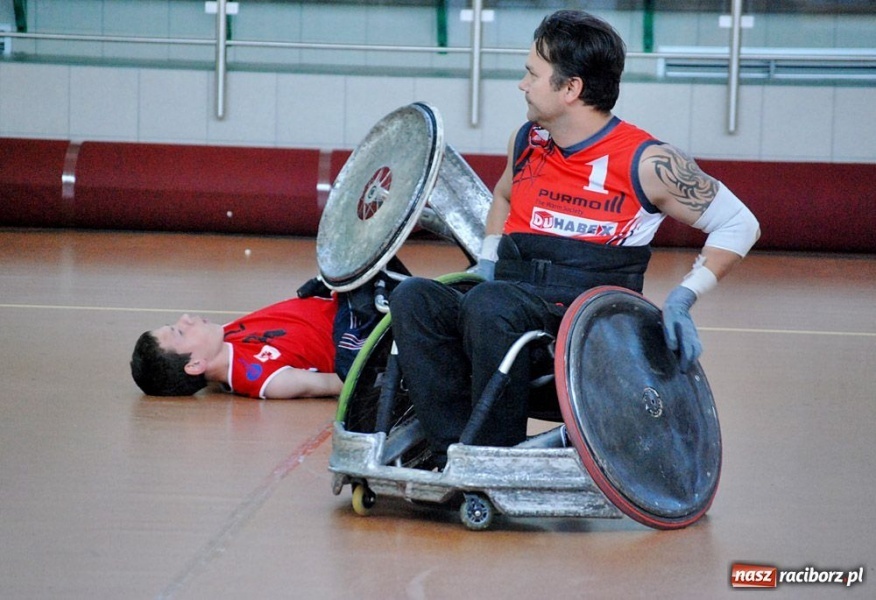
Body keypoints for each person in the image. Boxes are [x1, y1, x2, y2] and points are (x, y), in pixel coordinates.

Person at [389, 9, 760, 466]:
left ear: (570, 89)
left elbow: (740, 224)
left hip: (581, 327)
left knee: (492, 304)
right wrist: (486, 259)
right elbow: (503, 195)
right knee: (413, 296)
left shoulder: (647, 162)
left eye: (532, 74)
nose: (522, 84)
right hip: (509, 300)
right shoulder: (527, 141)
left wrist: (685, 296)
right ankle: (451, 452)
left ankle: (493, 458)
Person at [131, 277, 387, 399]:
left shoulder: (223, 336)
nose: (186, 318)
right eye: (180, 331)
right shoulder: (267, 381)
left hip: (346, 300)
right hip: (366, 329)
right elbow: (346, 383)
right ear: (195, 364)